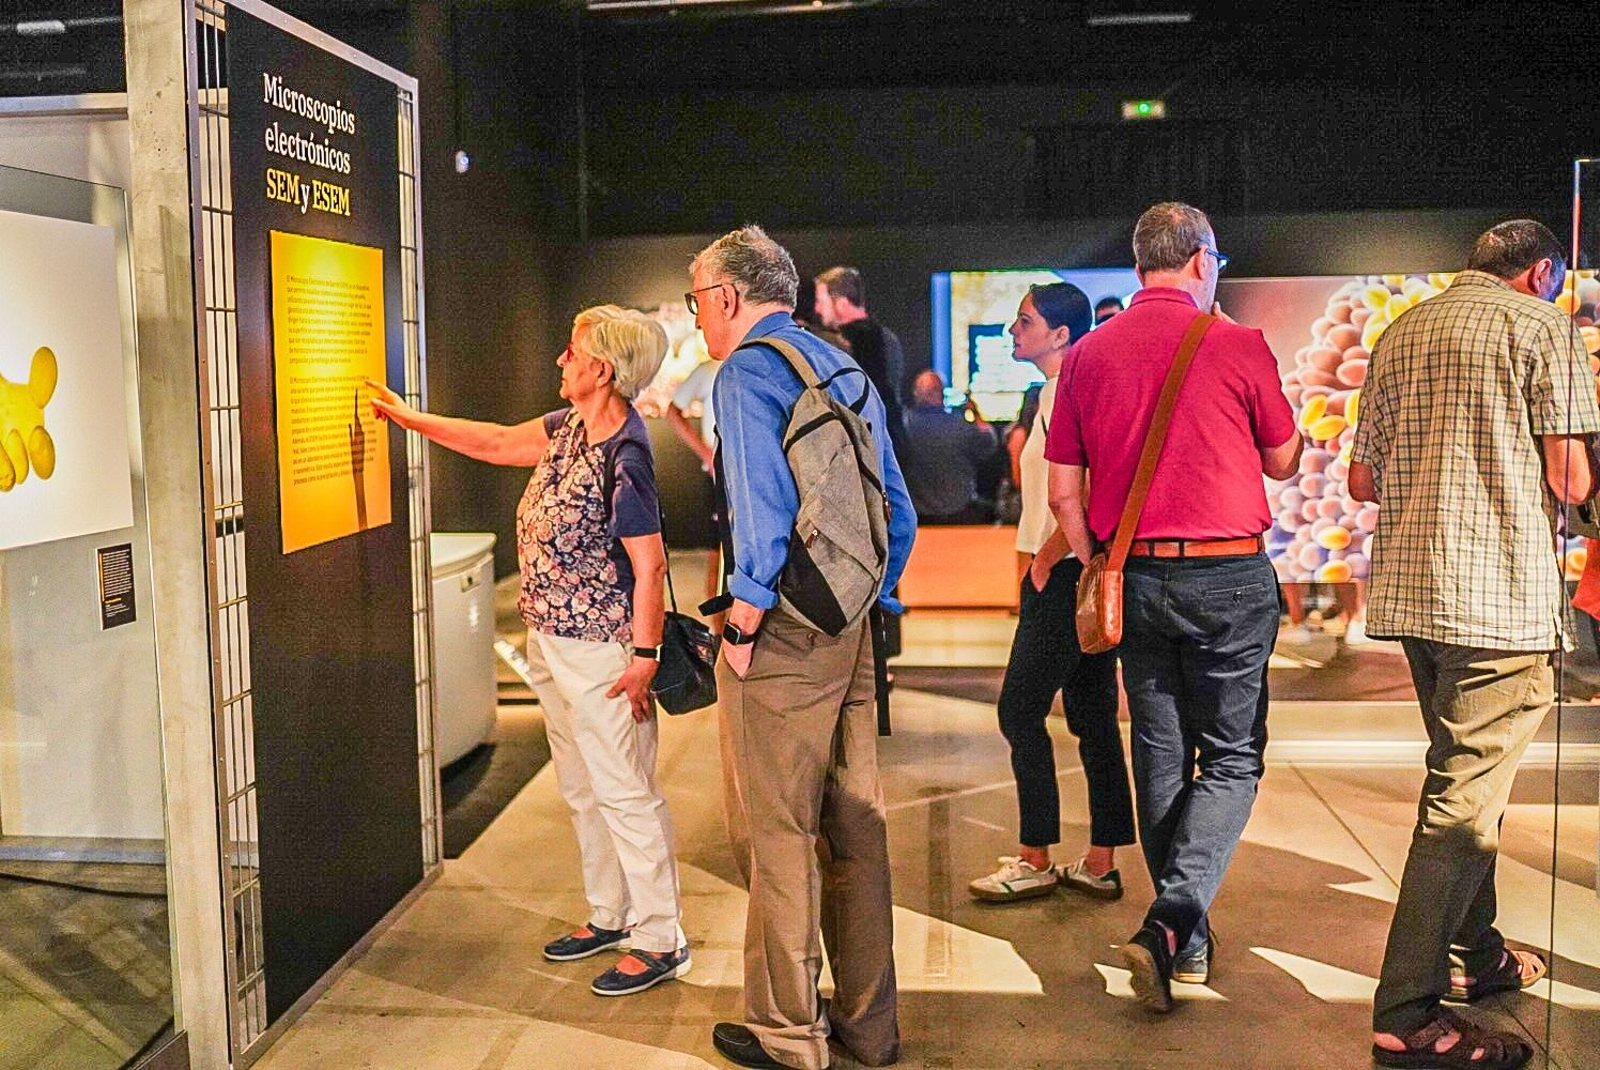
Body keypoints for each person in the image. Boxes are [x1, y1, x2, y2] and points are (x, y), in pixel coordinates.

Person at [367, 306, 691, 997]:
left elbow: (652, 566)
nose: (559, 362)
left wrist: (644, 656)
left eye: (571, 353)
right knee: (581, 786)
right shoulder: (569, 429)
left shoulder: (624, 454)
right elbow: (491, 442)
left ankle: (661, 936)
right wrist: (410, 419)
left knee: (625, 791)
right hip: (551, 639)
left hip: (603, 653)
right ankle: (611, 913)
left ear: (601, 369)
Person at [1350, 219, 1599, 1070]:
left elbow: (1360, 477)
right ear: (1540, 274)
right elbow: (1570, 478)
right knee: (1460, 808)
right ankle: (1407, 1013)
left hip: (1416, 597)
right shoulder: (1543, 328)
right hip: (1499, 598)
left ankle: (1477, 954)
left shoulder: (1400, 329)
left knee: (1464, 780)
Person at [1046, 202, 1303, 1012]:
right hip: (1230, 578)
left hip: (1139, 579)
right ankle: (1173, 922)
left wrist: (1100, 566)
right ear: (1200, 261)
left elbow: (1064, 495)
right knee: (1229, 756)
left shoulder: (1087, 356)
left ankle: (1182, 941)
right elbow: (1285, 460)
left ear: (1138, 267)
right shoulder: (1239, 345)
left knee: (1158, 751)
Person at [690, 225, 915, 1070]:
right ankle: (869, 1028)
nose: (701, 319)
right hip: (853, 625)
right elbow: (897, 503)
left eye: (698, 301)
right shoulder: (840, 364)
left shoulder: (746, 372)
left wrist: (744, 616)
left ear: (726, 297)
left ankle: (789, 1034)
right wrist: (876, 598)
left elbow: (760, 509)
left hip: (783, 629)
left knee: (776, 832)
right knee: (857, 828)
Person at [968, 282, 1134, 905]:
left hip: (1067, 573)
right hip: (1068, 571)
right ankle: (1100, 860)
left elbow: (1085, 492)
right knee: (1092, 717)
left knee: (1019, 710)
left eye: (1024, 320)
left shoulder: (1075, 391)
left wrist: (1045, 558)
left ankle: (1036, 855)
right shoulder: (1052, 393)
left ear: (1061, 334)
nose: (1012, 330)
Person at [814, 266, 906, 447]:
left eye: (821, 300)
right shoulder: (889, 340)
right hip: (891, 443)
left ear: (841, 303)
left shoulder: (836, 346)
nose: (818, 308)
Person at [900, 370, 1001, 525]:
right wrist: (975, 413)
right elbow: (989, 443)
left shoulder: (903, 426)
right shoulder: (959, 424)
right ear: (941, 393)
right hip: (960, 513)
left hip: (917, 518)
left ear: (915, 393)